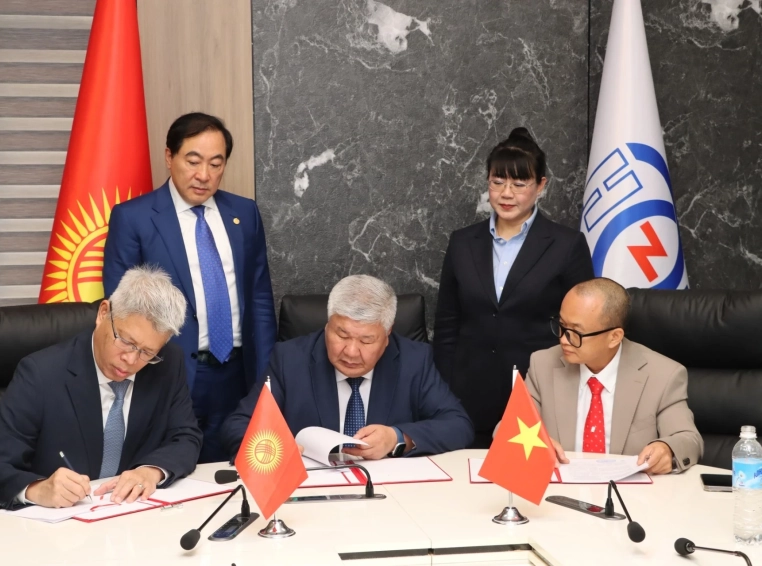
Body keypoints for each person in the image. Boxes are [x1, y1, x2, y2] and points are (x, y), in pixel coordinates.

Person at [103, 112, 277, 463]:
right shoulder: (134, 218)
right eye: (193, 161)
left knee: (236, 470)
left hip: (238, 373)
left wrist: (266, 374)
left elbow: (259, 298)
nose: (204, 175)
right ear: (170, 157)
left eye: (216, 164)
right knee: (173, 469)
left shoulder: (244, 213)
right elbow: (122, 307)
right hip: (169, 372)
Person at [0, 266, 202, 509]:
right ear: (103, 313)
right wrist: (38, 489)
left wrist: (151, 471)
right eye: (126, 341)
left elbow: (186, 437)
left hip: (130, 517)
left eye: (147, 352)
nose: (131, 360)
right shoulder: (40, 374)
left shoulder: (167, 363)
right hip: (57, 522)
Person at [433, 127, 594, 448]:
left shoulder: (566, 245)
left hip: (539, 393)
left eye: (519, 184)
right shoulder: (462, 242)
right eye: (497, 182)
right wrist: (444, 390)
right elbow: (447, 324)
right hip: (468, 395)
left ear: (541, 186)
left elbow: (583, 326)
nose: (506, 194)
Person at [222, 275, 474, 460]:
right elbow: (238, 424)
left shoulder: (413, 360)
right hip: (310, 492)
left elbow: (458, 425)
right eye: (341, 335)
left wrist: (397, 438)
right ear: (327, 324)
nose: (351, 351)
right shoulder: (290, 359)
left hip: (389, 495)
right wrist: (274, 448)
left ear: (387, 334)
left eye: (367, 340)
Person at [525, 277, 703, 474]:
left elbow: (688, 439)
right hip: (558, 487)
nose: (564, 339)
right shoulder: (542, 365)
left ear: (614, 337)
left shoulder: (662, 375)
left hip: (629, 491)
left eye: (576, 332)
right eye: (561, 325)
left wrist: (667, 449)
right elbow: (508, 429)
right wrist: (534, 442)